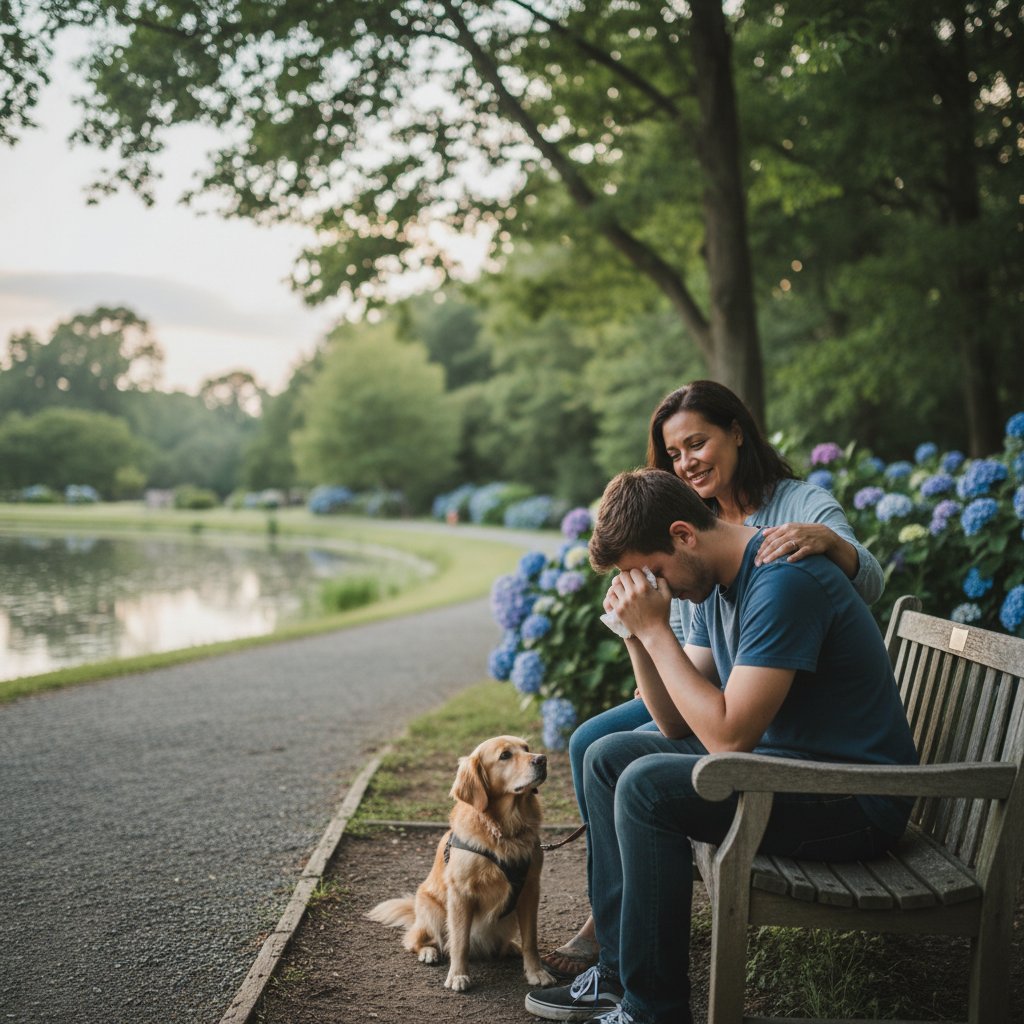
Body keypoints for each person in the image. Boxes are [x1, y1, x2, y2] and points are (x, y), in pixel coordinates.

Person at [525, 468, 917, 1024]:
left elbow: (729, 738)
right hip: (787, 768)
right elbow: (671, 722)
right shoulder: (715, 580)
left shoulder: (783, 581)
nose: (657, 588)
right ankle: (616, 977)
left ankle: (653, 1011)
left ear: (684, 535)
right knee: (608, 756)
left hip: (854, 797)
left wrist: (657, 630)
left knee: (647, 788)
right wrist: (635, 632)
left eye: (654, 572)